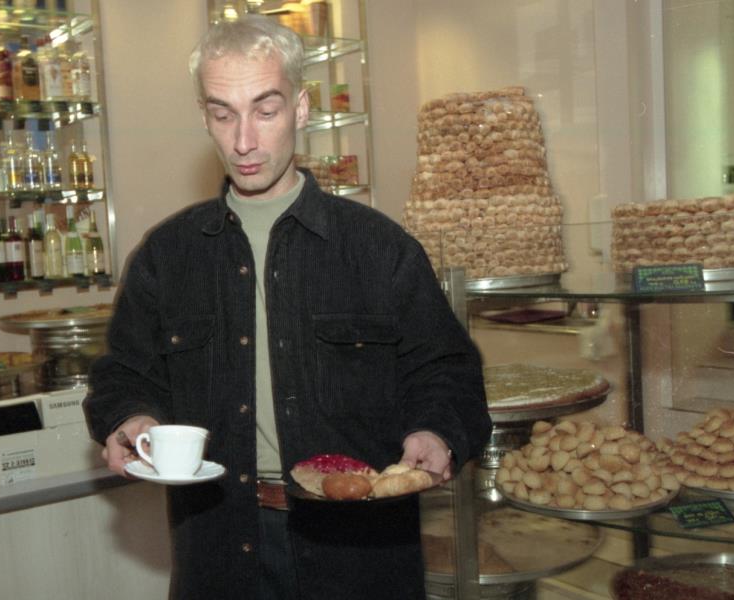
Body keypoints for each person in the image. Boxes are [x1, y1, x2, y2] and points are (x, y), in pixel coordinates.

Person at [83, 14, 491, 600]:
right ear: (204, 117)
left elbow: (448, 370)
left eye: (265, 110)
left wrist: (436, 430)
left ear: (301, 108)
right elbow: (122, 374)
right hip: (219, 550)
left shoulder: (380, 249)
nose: (243, 141)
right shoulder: (167, 256)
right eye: (223, 114)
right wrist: (131, 419)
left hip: (359, 557)